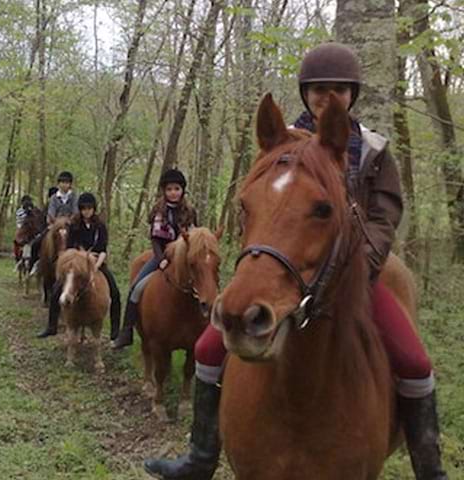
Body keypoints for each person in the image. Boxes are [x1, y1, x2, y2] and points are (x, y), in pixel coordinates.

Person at [144, 42, 447, 480]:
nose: (328, 97)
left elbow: (385, 215)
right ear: (305, 93)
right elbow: (266, 208)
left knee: (415, 363)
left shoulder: (373, 150)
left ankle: (430, 469)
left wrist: (360, 259)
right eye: (318, 89)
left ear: (352, 94)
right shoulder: (281, 143)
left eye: (338, 89)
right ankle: (201, 456)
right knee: (210, 346)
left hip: (352, 272)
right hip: (285, 269)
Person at [111, 168, 197, 350]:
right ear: (164, 191)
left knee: (205, 285)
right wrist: (161, 259)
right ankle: (126, 331)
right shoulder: (160, 211)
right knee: (136, 287)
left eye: (177, 189)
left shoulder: (190, 211)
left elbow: (195, 236)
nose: (173, 193)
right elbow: (155, 239)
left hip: (186, 258)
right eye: (169, 189)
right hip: (163, 255)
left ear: (182, 190)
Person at [37, 192, 122, 339]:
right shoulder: (74, 225)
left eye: (89, 208)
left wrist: (96, 265)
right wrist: (81, 259)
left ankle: (116, 331)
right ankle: (51, 326)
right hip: (77, 263)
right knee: (57, 289)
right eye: (83, 208)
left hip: (97, 262)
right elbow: (70, 248)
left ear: (94, 209)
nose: (86, 211)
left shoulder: (100, 226)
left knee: (115, 292)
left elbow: (102, 250)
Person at [14, 195, 35, 266]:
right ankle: (17, 258)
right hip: (22, 229)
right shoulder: (19, 211)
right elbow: (18, 222)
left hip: (31, 230)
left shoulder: (33, 211)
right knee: (16, 241)